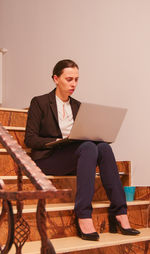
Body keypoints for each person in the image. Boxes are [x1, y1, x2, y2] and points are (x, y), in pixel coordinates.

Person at [25, 59, 140, 241]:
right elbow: (30, 139)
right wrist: (59, 141)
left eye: (76, 80)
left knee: (102, 147)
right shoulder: (39, 102)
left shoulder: (78, 106)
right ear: (56, 78)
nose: (73, 84)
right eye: (69, 79)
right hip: (48, 158)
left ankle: (120, 212)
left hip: (75, 155)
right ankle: (84, 215)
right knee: (87, 147)